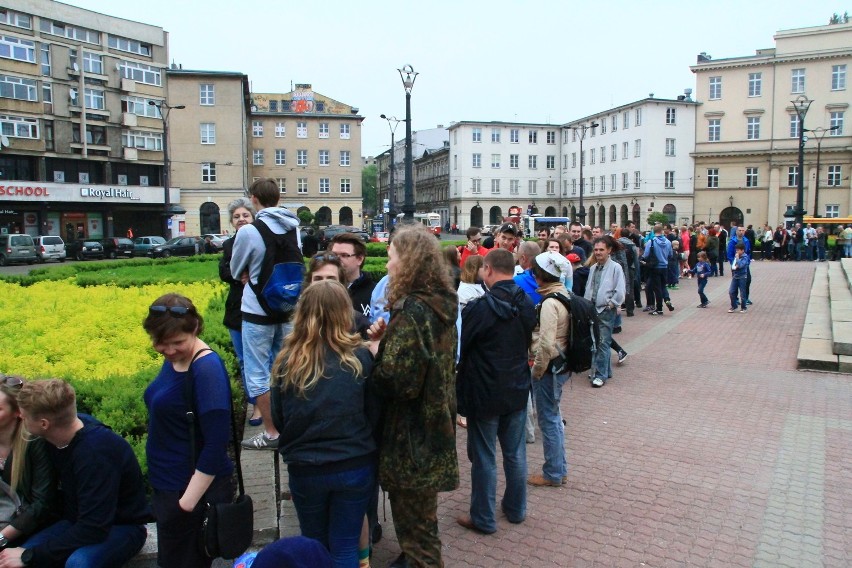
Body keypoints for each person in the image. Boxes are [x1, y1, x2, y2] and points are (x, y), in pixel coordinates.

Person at [366, 225, 459, 568]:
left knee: (417, 537)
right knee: (424, 522)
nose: (388, 266)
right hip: (433, 431)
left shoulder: (414, 311)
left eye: (391, 258)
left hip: (412, 440)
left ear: (408, 262)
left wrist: (377, 351)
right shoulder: (440, 304)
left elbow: (398, 381)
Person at [270, 281, 376, 567]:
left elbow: (279, 418)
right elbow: (373, 412)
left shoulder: (286, 362)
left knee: (313, 545)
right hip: (353, 462)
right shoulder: (361, 358)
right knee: (345, 545)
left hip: (306, 467)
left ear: (302, 313)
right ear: (345, 313)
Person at [1, 380, 149, 568]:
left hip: (121, 527)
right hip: (75, 522)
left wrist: (31, 555)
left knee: (78, 564)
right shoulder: (60, 431)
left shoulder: (95, 453)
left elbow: (94, 528)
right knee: (14, 558)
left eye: (24, 415)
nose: (20, 416)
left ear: (44, 423)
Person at [143, 294, 234, 568]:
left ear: (194, 328)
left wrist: (185, 504)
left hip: (187, 493)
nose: (169, 350)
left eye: (177, 343)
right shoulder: (176, 360)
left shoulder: (206, 369)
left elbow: (217, 444)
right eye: (161, 343)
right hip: (169, 486)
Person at [456, 249, 536, 534]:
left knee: (484, 455)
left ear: (487, 269)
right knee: (514, 453)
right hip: (516, 386)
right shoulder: (526, 302)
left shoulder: (480, 307)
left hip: (485, 389)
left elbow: (463, 346)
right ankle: (516, 509)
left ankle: (483, 517)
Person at [230, 178, 301, 450]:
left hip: (258, 309)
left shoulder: (249, 231)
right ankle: (291, 425)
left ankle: (272, 434)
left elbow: (237, 271)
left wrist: (248, 271)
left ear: (254, 200)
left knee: (258, 373)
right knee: (286, 367)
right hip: (285, 307)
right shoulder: (293, 226)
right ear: (279, 199)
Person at [527, 251, 571, 487]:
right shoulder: (563, 294)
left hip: (550, 367)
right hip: (561, 364)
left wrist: (537, 370)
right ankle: (559, 469)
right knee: (554, 417)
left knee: (548, 420)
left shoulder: (550, 303)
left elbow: (545, 343)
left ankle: (553, 472)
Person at [0, 376, 57, 550]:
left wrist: (1, 537)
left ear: (18, 412)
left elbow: (42, 504)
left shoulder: (34, 443)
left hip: (24, 527)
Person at [220, 198, 261, 426]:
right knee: (244, 360)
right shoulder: (228, 245)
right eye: (237, 216)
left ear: (253, 217)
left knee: (266, 359)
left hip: (260, 309)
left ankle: (271, 403)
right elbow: (224, 271)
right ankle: (255, 405)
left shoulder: (262, 240)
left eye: (245, 215)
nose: (241, 219)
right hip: (237, 311)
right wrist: (238, 275)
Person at [585, 236, 626, 388]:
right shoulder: (593, 268)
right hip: (593, 309)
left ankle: (600, 374)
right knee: (596, 341)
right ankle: (602, 370)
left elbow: (620, 290)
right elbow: (589, 287)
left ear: (609, 250)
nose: (598, 253)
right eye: (596, 250)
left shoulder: (615, 267)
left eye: (601, 250)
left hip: (605, 310)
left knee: (602, 342)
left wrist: (612, 304)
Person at [330, 233, 375, 319]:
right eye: (334, 255)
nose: (337, 260)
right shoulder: (322, 288)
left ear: (359, 259)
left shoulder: (375, 293)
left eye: (344, 255)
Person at [642, 224, 673, 316]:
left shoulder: (651, 242)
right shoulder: (668, 242)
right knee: (663, 285)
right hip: (665, 266)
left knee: (657, 288)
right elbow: (670, 255)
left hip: (655, 267)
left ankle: (659, 308)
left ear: (653, 231)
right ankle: (667, 299)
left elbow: (646, 255)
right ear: (662, 230)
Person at [728, 243, 750, 313]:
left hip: (742, 276)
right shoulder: (736, 256)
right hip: (735, 276)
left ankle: (744, 307)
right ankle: (734, 306)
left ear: (742, 250)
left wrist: (737, 259)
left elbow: (740, 265)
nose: (736, 252)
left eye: (738, 250)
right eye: (736, 250)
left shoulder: (745, 257)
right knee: (731, 291)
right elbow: (734, 266)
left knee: (742, 293)